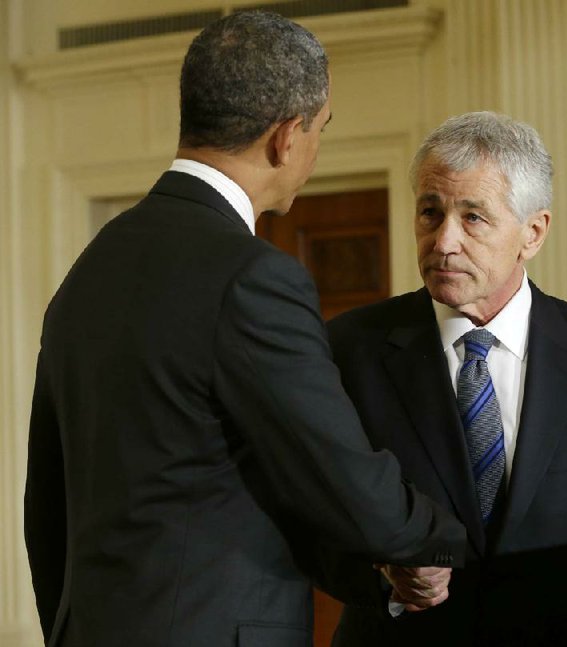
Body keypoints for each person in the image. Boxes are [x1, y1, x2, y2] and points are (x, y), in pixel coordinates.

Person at [23, 11, 465, 647]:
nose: (315, 149)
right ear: (286, 137)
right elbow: (335, 472)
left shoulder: (91, 268)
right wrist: (447, 542)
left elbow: (48, 502)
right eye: (321, 129)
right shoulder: (252, 278)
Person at [325, 112, 567, 646]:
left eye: (473, 218)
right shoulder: (349, 349)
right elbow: (309, 512)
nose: (443, 242)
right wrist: (382, 574)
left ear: (532, 233)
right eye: (430, 212)